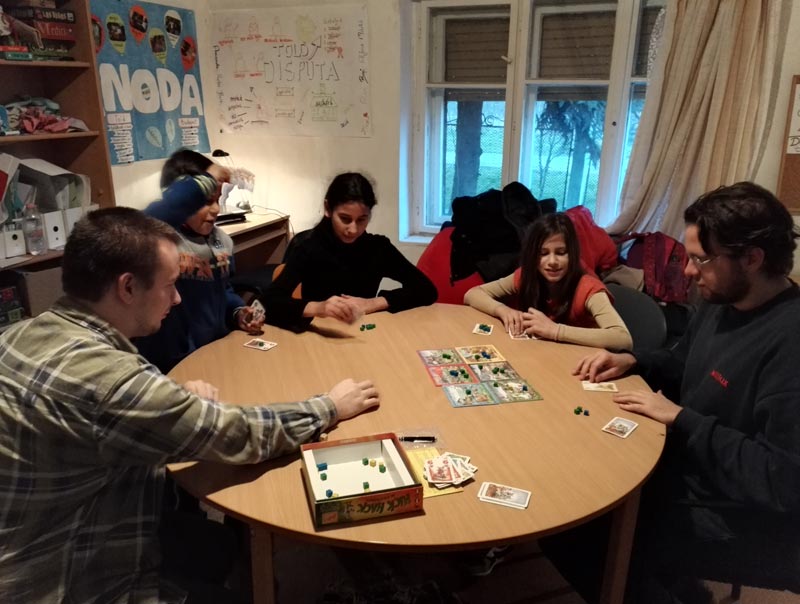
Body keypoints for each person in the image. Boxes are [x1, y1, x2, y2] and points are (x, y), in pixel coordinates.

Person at [0, 208, 380, 604]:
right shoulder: (111, 382)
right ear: (127, 287)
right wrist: (329, 406)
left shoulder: (20, 334)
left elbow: (92, 412)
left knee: (217, 544)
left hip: (39, 537)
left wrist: (164, 396)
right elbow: (238, 433)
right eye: (170, 285)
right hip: (65, 579)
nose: (178, 298)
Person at [570, 182, 800, 603]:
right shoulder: (720, 302)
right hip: (688, 465)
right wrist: (634, 360)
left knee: (585, 531)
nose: (689, 272)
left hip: (745, 515)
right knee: (583, 475)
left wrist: (683, 419)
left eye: (701, 259)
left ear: (752, 259)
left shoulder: (790, 342)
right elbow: (683, 363)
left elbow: (781, 480)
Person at [135, 149, 264, 373]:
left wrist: (237, 312)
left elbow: (223, 290)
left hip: (215, 351)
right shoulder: (159, 240)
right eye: (205, 202)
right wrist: (207, 179)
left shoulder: (222, 241)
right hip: (173, 361)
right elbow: (158, 212)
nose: (215, 209)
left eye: (217, 200)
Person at [262, 172, 437, 332]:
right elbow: (268, 302)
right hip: (320, 336)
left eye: (362, 220)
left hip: (363, 334)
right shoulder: (309, 247)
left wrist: (371, 303)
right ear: (328, 209)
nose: (353, 229)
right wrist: (319, 308)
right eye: (345, 219)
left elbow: (426, 289)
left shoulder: (378, 248)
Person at [464, 212, 632, 350]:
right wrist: (502, 310)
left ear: (573, 254)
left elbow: (622, 338)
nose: (552, 261)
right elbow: (473, 294)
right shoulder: (526, 276)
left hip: (579, 361)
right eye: (543, 253)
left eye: (561, 253)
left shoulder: (588, 288)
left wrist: (555, 330)